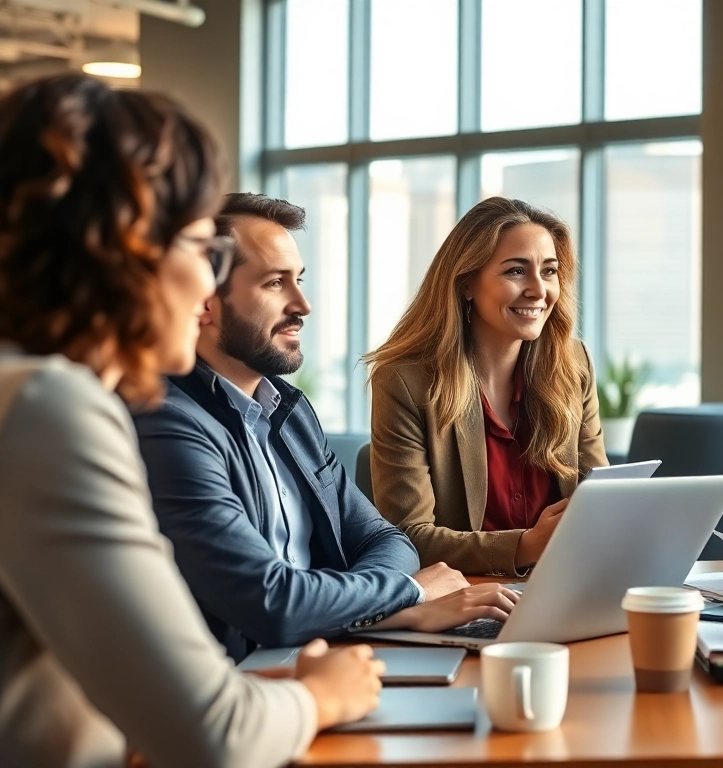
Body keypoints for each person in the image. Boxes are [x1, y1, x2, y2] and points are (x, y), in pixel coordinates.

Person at [0, 73, 383, 768]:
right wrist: (324, 696)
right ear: (125, 249)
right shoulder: (45, 407)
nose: (210, 288)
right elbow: (219, 738)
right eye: (205, 250)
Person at [134, 192, 517, 663]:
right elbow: (272, 603)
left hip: (328, 653)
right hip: (243, 685)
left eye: (299, 280)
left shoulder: (289, 411)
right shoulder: (169, 425)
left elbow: (386, 540)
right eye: (275, 283)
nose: (303, 304)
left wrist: (377, 607)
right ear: (206, 303)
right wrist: (405, 596)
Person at [366, 197, 606, 576]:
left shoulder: (573, 366)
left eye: (549, 271)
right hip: (466, 598)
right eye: (515, 271)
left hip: (566, 586)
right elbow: (408, 537)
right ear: (466, 284)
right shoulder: (405, 381)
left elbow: (602, 497)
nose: (538, 290)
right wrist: (525, 545)